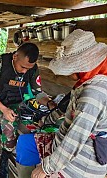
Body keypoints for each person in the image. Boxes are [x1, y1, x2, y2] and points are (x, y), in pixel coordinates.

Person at [16, 29, 107, 178]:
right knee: (25, 144)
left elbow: (74, 141)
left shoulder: (93, 94)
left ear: (80, 67)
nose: (68, 74)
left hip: (82, 163)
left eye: (70, 68)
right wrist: (45, 120)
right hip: (63, 143)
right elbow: (63, 110)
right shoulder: (86, 84)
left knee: (37, 173)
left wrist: (45, 168)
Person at [0, 43, 57, 178]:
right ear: (15, 57)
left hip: (14, 104)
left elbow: (38, 93)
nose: (25, 71)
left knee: (9, 132)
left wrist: (49, 103)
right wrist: (3, 109)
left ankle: (4, 163)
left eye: (28, 68)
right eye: (23, 67)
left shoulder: (32, 69)